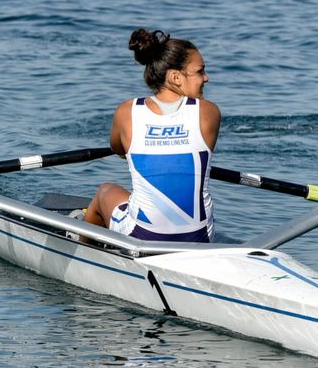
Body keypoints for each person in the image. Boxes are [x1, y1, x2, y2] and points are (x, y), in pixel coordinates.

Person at [83, 28, 220, 243]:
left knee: (104, 191)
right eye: (200, 72)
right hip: (199, 238)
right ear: (175, 77)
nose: (206, 78)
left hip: (141, 236)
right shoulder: (209, 113)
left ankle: (84, 254)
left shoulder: (126, 112)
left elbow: (117, 149)